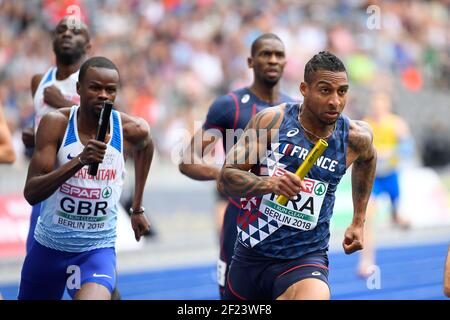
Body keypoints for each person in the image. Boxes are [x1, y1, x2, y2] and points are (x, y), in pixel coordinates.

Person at [217, 51, 376, 300]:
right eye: (325, 91)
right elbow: (226, 178)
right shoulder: (272, 123)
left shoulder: (355, 138)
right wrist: (269, 184)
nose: (335, 101)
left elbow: (368, 159)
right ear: (304, 89)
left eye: (342, 91)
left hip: (305, 258)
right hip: (252, 255)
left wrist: (358, 220)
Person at [18, 56, 154, 300]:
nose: (103, 95)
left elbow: (146, 144)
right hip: (49, 248)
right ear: (79, 89)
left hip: (95, 250)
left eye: (110, 90)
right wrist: (80, 160)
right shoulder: (56, 124)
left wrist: (137, 207)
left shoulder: (129, 128)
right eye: (95, 88)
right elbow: (31, 192)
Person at [179, 33, 293, 298]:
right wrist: (231, 175)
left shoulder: (296, 109)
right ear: (251, 61)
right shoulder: (229, 106)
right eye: (266, 54)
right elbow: (188, 160)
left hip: (284, 223)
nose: (273, 60)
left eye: (278, 55)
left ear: (286, 62)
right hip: (240, 218)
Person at [22, 16, 91, 255]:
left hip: (80, 187)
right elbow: (41, 125)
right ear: (53, 40)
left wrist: (62, 102)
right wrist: (33, 135)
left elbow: (110, 124)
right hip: (46, 183)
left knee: (83, 263)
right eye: (61, 30)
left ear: (88, 45)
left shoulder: (94, 82)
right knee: (36, 258)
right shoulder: (39, 81)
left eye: (75, 32)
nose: (67, 35)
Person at [357, 91, 411, 277]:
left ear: (387, 105)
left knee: (398, 217)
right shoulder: (365, 123)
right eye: (375, 103)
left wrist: (391, 152)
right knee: (368, 218)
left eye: (381, 103)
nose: (377, 107)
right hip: (373, 178)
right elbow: (358, 148)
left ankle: (399, 219)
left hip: (391, 176)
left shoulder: (397, 123)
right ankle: (366, 261)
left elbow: (407, 148)